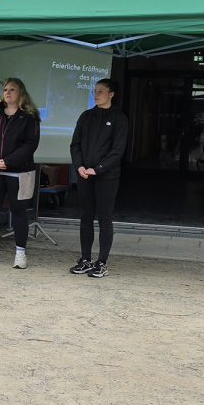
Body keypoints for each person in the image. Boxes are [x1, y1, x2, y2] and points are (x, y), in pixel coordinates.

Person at [0, 77, 41, 269]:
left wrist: (8, 162)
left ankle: (20, 253)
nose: (8, 93)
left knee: (19, 211)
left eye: (12, 89)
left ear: (21, 93)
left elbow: (31, 144)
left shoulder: (30, 115)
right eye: (5, 90)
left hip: (19, 172)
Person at [68, 78, 128, 279]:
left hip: (107, 177)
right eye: (95, 91)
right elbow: (75, 144)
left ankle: (102, 262)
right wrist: (80, 167)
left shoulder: (119, 119)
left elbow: (118, 150)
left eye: (100, 91)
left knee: (104, 219)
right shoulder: (86, 116)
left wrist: (99, 168)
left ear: (111, 94)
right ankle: (85, 259)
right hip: (85, 175)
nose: (96, 94)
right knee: (85, 217)